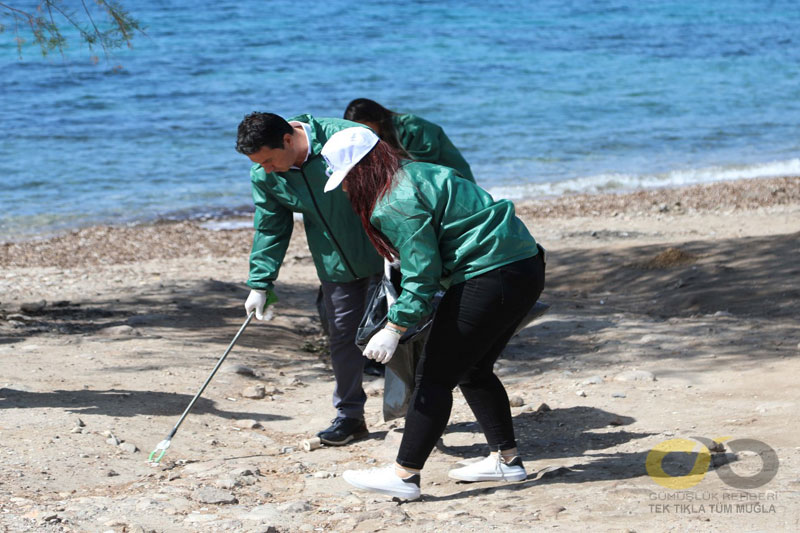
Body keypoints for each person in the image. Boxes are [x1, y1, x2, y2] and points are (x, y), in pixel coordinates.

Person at [320, 127, 546, 500]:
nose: (345, 189)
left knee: (433, 376)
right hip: (525, 264)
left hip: (491, 273)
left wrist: (394, 326)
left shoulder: (393, 202)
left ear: (362, 170)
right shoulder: (416, 170)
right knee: (473, 369)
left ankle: (405, 476)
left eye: (345, 180)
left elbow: (422, 275)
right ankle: (506, 461)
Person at [235, 112, 384, 446]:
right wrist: (260, 283)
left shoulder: (347, 139)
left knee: (406, 331)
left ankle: (421, 408)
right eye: (260, 164)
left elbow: (396, 188)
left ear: (288, 139)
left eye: (270, 160)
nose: (267, 169)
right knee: (342, 336)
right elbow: (271, 227)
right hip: (335, 264)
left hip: (388, 252)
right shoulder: (265, 174)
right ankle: (350, 417)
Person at [343, 98, 476, 183]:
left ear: (374, 119)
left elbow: (425, 161)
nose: (361, 131)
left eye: (363, 126)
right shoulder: (382, 135)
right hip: (433, 180)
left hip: (456, 179)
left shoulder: (412, 126)